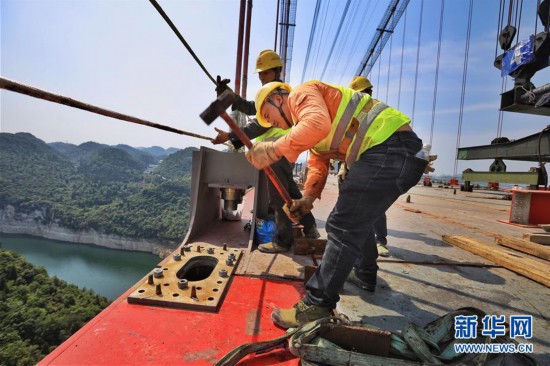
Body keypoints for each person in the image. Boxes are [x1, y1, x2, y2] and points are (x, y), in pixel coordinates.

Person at [245, 80, 427, 328]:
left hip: (389, 148)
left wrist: (273, 148)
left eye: (269, 116)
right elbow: (317, 165)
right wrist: (307, 200)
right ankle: (364, 274)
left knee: (342, 225)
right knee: (358, 220)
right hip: (397, 153)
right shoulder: (311, 129)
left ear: (278, 99)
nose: (273, 124)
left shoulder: (301, 94)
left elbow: (316, 124)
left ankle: (316, 304)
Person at [212, 50, 320, 253]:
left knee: (278, 199)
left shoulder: (276, 97)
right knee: (292, 192)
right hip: (281, 152)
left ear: (277, 71)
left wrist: (230, 136)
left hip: (274, 152)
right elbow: (248, 106)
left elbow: (258, 126)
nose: (261, 77)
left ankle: (282, 241)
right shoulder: (272, 94)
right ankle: (311, 227)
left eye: (265, 72)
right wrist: (227, 96)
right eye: (260, 73)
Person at [349, 76, 390, 257]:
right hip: (360, 163)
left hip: (378, 162)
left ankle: (380, 241)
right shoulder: (356, 114)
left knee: (376, 205)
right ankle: (361, 241)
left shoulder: (378, 110)